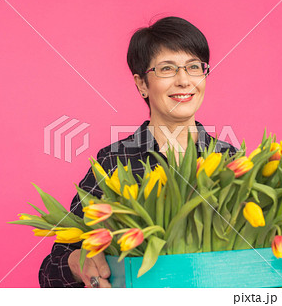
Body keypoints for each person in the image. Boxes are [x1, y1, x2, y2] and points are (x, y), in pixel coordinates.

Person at [39, 16, 238, 288]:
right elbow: (51, 270)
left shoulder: (233, 161)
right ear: (142, 84)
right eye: (167, 69)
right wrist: (78, 263)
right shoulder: (113, 162)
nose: (184, 81)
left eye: (194, 67)